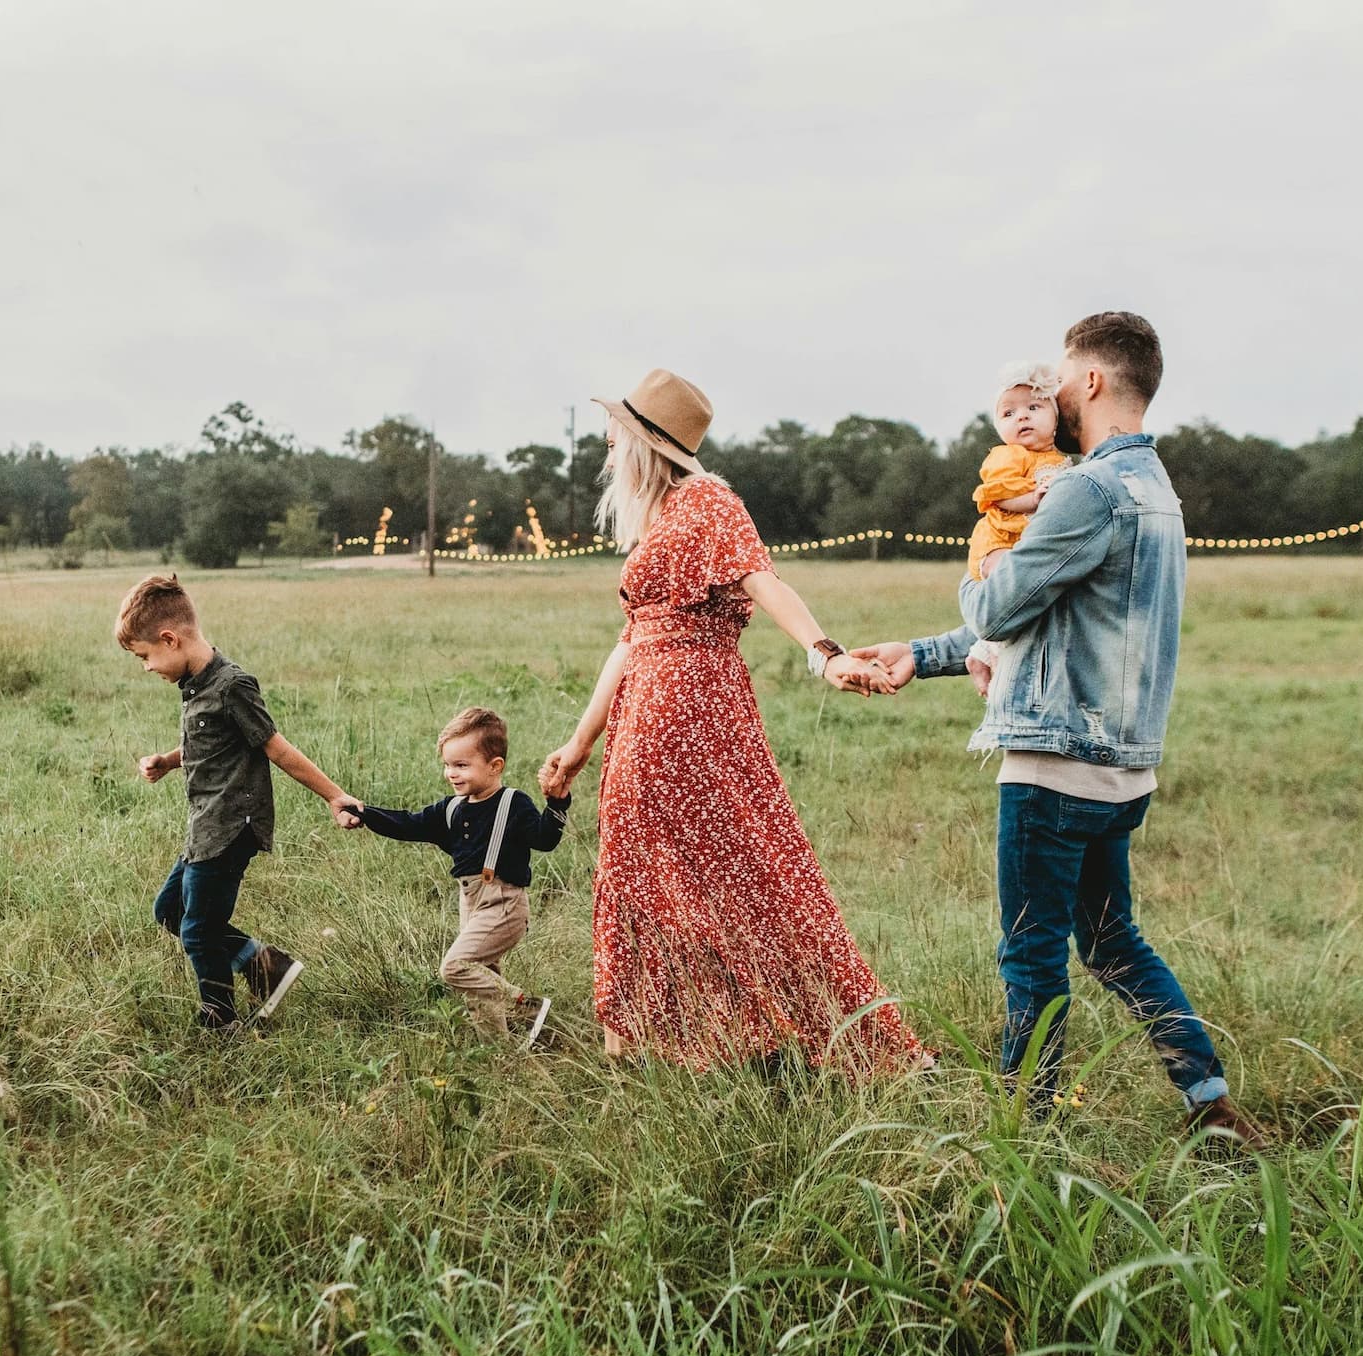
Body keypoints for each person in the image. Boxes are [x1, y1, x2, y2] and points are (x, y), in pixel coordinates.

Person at [852, 313, 1268, 1147]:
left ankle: (1022, 1131)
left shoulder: (1085, 489)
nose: (1050, 395)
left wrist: (982, 571)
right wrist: (923, 654)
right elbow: (1053, 619)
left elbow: (1002, 604)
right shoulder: (1157, 490)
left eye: (1062, 377)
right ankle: (1210, 1101)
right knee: (1112, 942)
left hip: (1054, 765)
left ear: (1093, 382)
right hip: (1122, 769)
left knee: (1030, 955)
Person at [539, 368, 930, 1075]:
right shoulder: (659, 517)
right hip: (647, 710)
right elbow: (630, 641)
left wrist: (824, 654)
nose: (604, 445)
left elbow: (764, 580)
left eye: (614, 433)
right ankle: (657, 1038)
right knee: (644, 870)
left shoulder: (708, 500)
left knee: (746, 866)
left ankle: (779, 1031)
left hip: (690, 706)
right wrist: (578, 743)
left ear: (644, 443)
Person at [115, 573, 357, 1032]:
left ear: (170, 639)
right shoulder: (196, 686)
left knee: (198, 930)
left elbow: (277, 748)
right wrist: (169, 760)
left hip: (230, 826)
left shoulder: (232, 686)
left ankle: (220, 1020)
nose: (146, 667)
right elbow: (212, 745)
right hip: (204, 825)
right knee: (169, 911)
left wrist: (335, 796)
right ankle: (266, 966)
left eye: (145, 657)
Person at [345, 707, 569, 1048]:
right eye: (448, 765)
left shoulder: (513, 803)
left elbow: (545, 840)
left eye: (462, 765)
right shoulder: (451, 809)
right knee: (481, 985)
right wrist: (364, 814)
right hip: (471, 903)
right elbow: (408, 824)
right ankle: (501, 1056)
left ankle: (525, 1007)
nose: (451, 773)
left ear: (495, 766)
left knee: (456, 967)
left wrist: (557, 803)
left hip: (505, 904)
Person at [964, 362, 1071, 698]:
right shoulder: (1008, 456)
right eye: (1008, 413)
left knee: (1025, 598)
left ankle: (984, 654)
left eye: (1034, 408)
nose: (1021, 417)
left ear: (1055, 419)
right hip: (998, 540)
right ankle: (985, 655)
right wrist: (1032, 498)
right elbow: (998, 494)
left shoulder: (1060, 461)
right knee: (1011, 588)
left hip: (1023, 541)